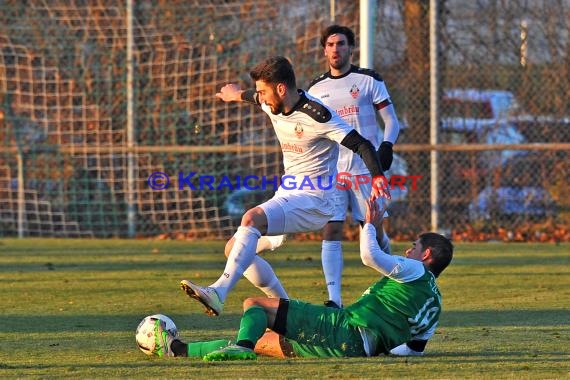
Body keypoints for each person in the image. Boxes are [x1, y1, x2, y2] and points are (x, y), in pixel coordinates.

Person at [180, 56, 390, 317]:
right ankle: (287, 311)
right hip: (290, 193)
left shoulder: (318, 115)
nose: (261, 98)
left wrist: (378, 176)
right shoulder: (273, 103)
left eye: (264, 92)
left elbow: (362, 144)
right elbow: (253, 97)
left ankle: (218, 291)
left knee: (251, 218)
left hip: (316, 200)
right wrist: (235, 95)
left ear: (281, 89)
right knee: (233, 249)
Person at [153, 200, 453, 360]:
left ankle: (242, 349)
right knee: (264, 341)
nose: (406, 249)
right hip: (355, 347)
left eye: (413, 245)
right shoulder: (435, 304)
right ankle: (179, 350)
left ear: (425, 254)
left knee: (254, 304)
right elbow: (413, 350)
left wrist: (371, 225)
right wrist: (374, 349)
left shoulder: (416, 270)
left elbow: (369, 256)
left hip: (345, 330)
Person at [256, 25, 401, 309]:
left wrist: (387, 146)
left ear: (351, 48)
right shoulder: (315, 88)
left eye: (341, 44)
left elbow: (392, 121)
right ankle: (334, 299)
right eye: (331, 44)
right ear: (324, 50)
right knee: (331, 230)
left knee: (373, 230)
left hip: (364, 168)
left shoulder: (369, 80)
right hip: (332, 174)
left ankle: (396, 280)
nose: (336, 49)